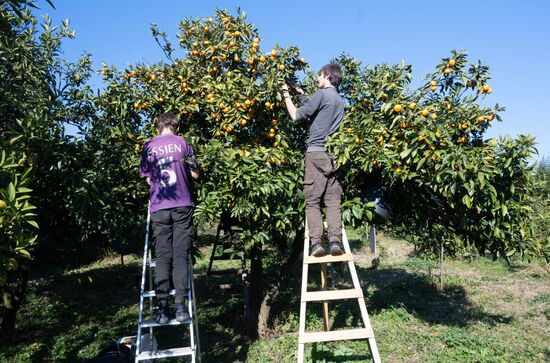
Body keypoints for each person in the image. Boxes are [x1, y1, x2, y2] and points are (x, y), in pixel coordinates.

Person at [140, 112, 200, 324]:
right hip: (182, 204)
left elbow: (148, 179)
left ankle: (162, 310)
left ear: (158, 127)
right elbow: (195, 174)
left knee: (163, 257)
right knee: (181, 256)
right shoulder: (183, 144)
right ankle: (181, 308)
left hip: (159, 206)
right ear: (176, 126)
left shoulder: (148, 146)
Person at [281, 64, 345, 257]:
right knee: (333, 201)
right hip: (334, 157)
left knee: (313, 202)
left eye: (319, 76)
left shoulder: (321, 94)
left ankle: (316, 244)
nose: (317, 80)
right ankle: (335, 241)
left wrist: (286, 94)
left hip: (315, 155)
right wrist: (301, 94)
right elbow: (318, 115)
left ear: (326, 76)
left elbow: (296, 115)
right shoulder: (339, 100)